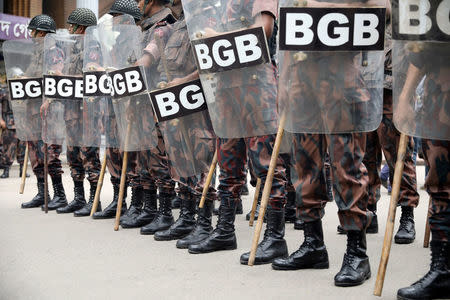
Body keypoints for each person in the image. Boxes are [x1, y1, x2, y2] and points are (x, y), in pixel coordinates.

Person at [272, 0, 387, 287]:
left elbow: (382, 11)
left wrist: (319, 7)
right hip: (301, 77)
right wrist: (284, 82)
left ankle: (357, 254)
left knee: (347, 165)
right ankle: (313, 245)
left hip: (341, 76)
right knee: (304, 167)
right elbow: (287, 35)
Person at [183, 0, 288, 266]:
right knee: (228, 160)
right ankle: (224, 230)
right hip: (227, 84)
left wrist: (216, 38)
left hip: (256, 84)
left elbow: (263, 29)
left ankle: (275, 238)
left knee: (266, 162)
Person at [44, 8, 102, 216]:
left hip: (87, 112)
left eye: (72, 25)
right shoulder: (73, 49)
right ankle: (79, 198)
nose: (69, 29)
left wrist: (63, 77)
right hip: (72, 112)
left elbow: (92, 78)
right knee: (73, 154)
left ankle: (95, 200)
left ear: (83, 27)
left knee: (89, 153)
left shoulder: (93, 47)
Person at [0, 85, 27, 179]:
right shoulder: (4, 91)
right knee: (7, 148)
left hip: (23, 123)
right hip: (9, 122)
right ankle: (6, 170)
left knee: (22, 148)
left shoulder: (25, 88)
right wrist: (0, 120)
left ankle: (22, 170)